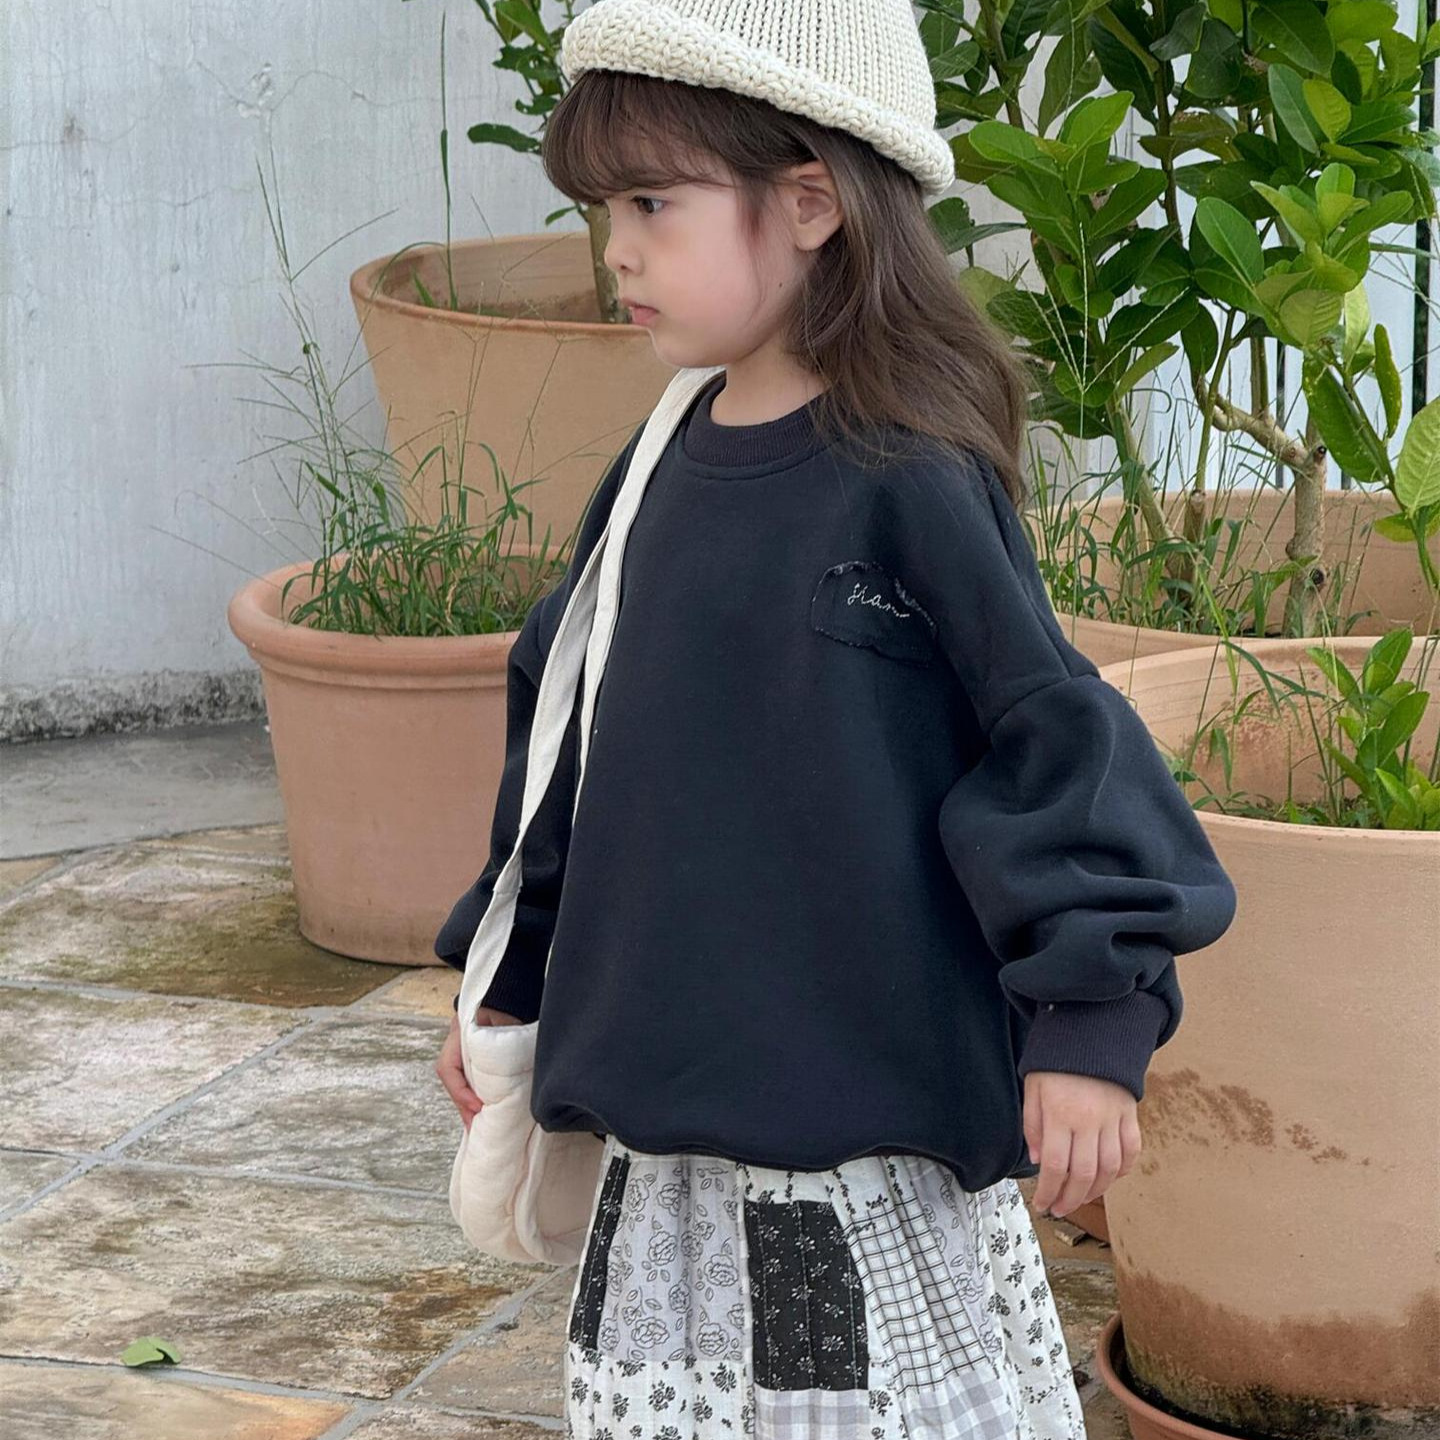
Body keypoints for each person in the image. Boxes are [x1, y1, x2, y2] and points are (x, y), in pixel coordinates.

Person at [435, 0, 1238, 1435]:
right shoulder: (658, 466)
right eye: (604, 209)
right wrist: (510, 969)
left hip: (846, 1127)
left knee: (842, 1405)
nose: (616, 248)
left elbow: (1047, 738)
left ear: (810, 201)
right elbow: (570, 730)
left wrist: (1089, 1017)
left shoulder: (908, 478)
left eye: (651, 203)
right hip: (674, 1127)